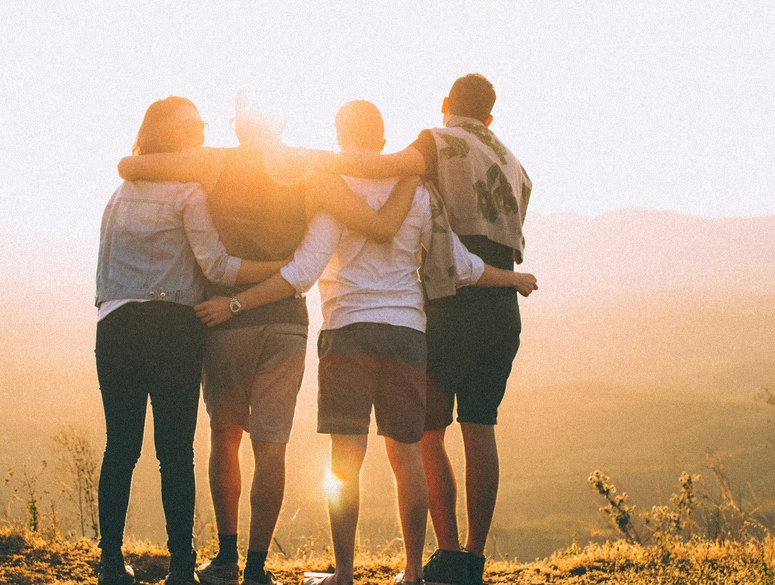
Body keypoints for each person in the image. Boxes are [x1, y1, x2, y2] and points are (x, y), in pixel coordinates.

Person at [194, 101, 536, 585]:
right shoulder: (417, 191)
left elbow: (304, 271)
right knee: (407, 456)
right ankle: (414, 572)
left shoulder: (333, 189)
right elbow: (458, 264)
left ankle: (346, 575)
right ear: (381, 140)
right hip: (407, 335)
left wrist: (236, 303)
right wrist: (511, 278)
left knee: (345, 460)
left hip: (348, 332)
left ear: (339, 135)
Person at [118, 92, 419, 585]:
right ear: (281, 122)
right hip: (286, 322)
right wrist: (412, 172)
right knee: (271, 446)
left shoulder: (212, 164)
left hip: (225, 317)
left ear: (239, 127)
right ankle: (258, 568)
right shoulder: (311, 170)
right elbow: (379, 225)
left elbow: (131, 165)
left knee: (225, 437)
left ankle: (227, 559)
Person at [327, 74, 534, 585]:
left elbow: (381, 167)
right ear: (490, 116)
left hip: (450, 301)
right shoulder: (515, 164)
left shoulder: (436, 141)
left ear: (446, 105)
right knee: (481, 427)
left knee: (427, 432)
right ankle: (473, 557)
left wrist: (312, 166)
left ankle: (443, 554)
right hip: (500, 304)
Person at [94, 96, 290, 585]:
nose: (202, 131)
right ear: (168, 134)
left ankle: (111, 563)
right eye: (192, 125)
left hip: (115, 325)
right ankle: (181, 565)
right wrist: (284, 271)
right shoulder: (188, 193)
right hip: (173, 328)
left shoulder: (119, 194)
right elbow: (219, 267)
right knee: (174, 451)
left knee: (120, 446)